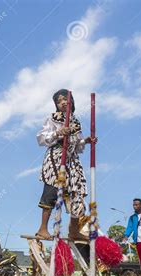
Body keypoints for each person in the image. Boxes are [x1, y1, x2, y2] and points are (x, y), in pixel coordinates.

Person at [35, 89, 97, 241]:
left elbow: (77, 146)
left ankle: (74, 230)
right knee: (52, 190)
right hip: (56, 158)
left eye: (65, 100)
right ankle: (42, 229)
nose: (62, 102)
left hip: (71, 161)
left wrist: (86, 141)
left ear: (71, 102)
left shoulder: (75, 122)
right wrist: (58, 133)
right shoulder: (52, 119)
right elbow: (41, 139)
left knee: (78, 192)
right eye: (59, 101)